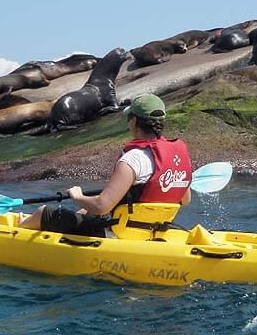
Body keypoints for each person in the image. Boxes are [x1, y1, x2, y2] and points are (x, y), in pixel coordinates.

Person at [19, 93, 192, 236]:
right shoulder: (177, 157)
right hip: (153, 232)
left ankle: (17, 231)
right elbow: (185, 200)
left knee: (45, 212)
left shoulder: (133, 159)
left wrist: (77, 196)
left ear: (134, 122)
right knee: (84, 213)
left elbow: (102, 207)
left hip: (119, 234)